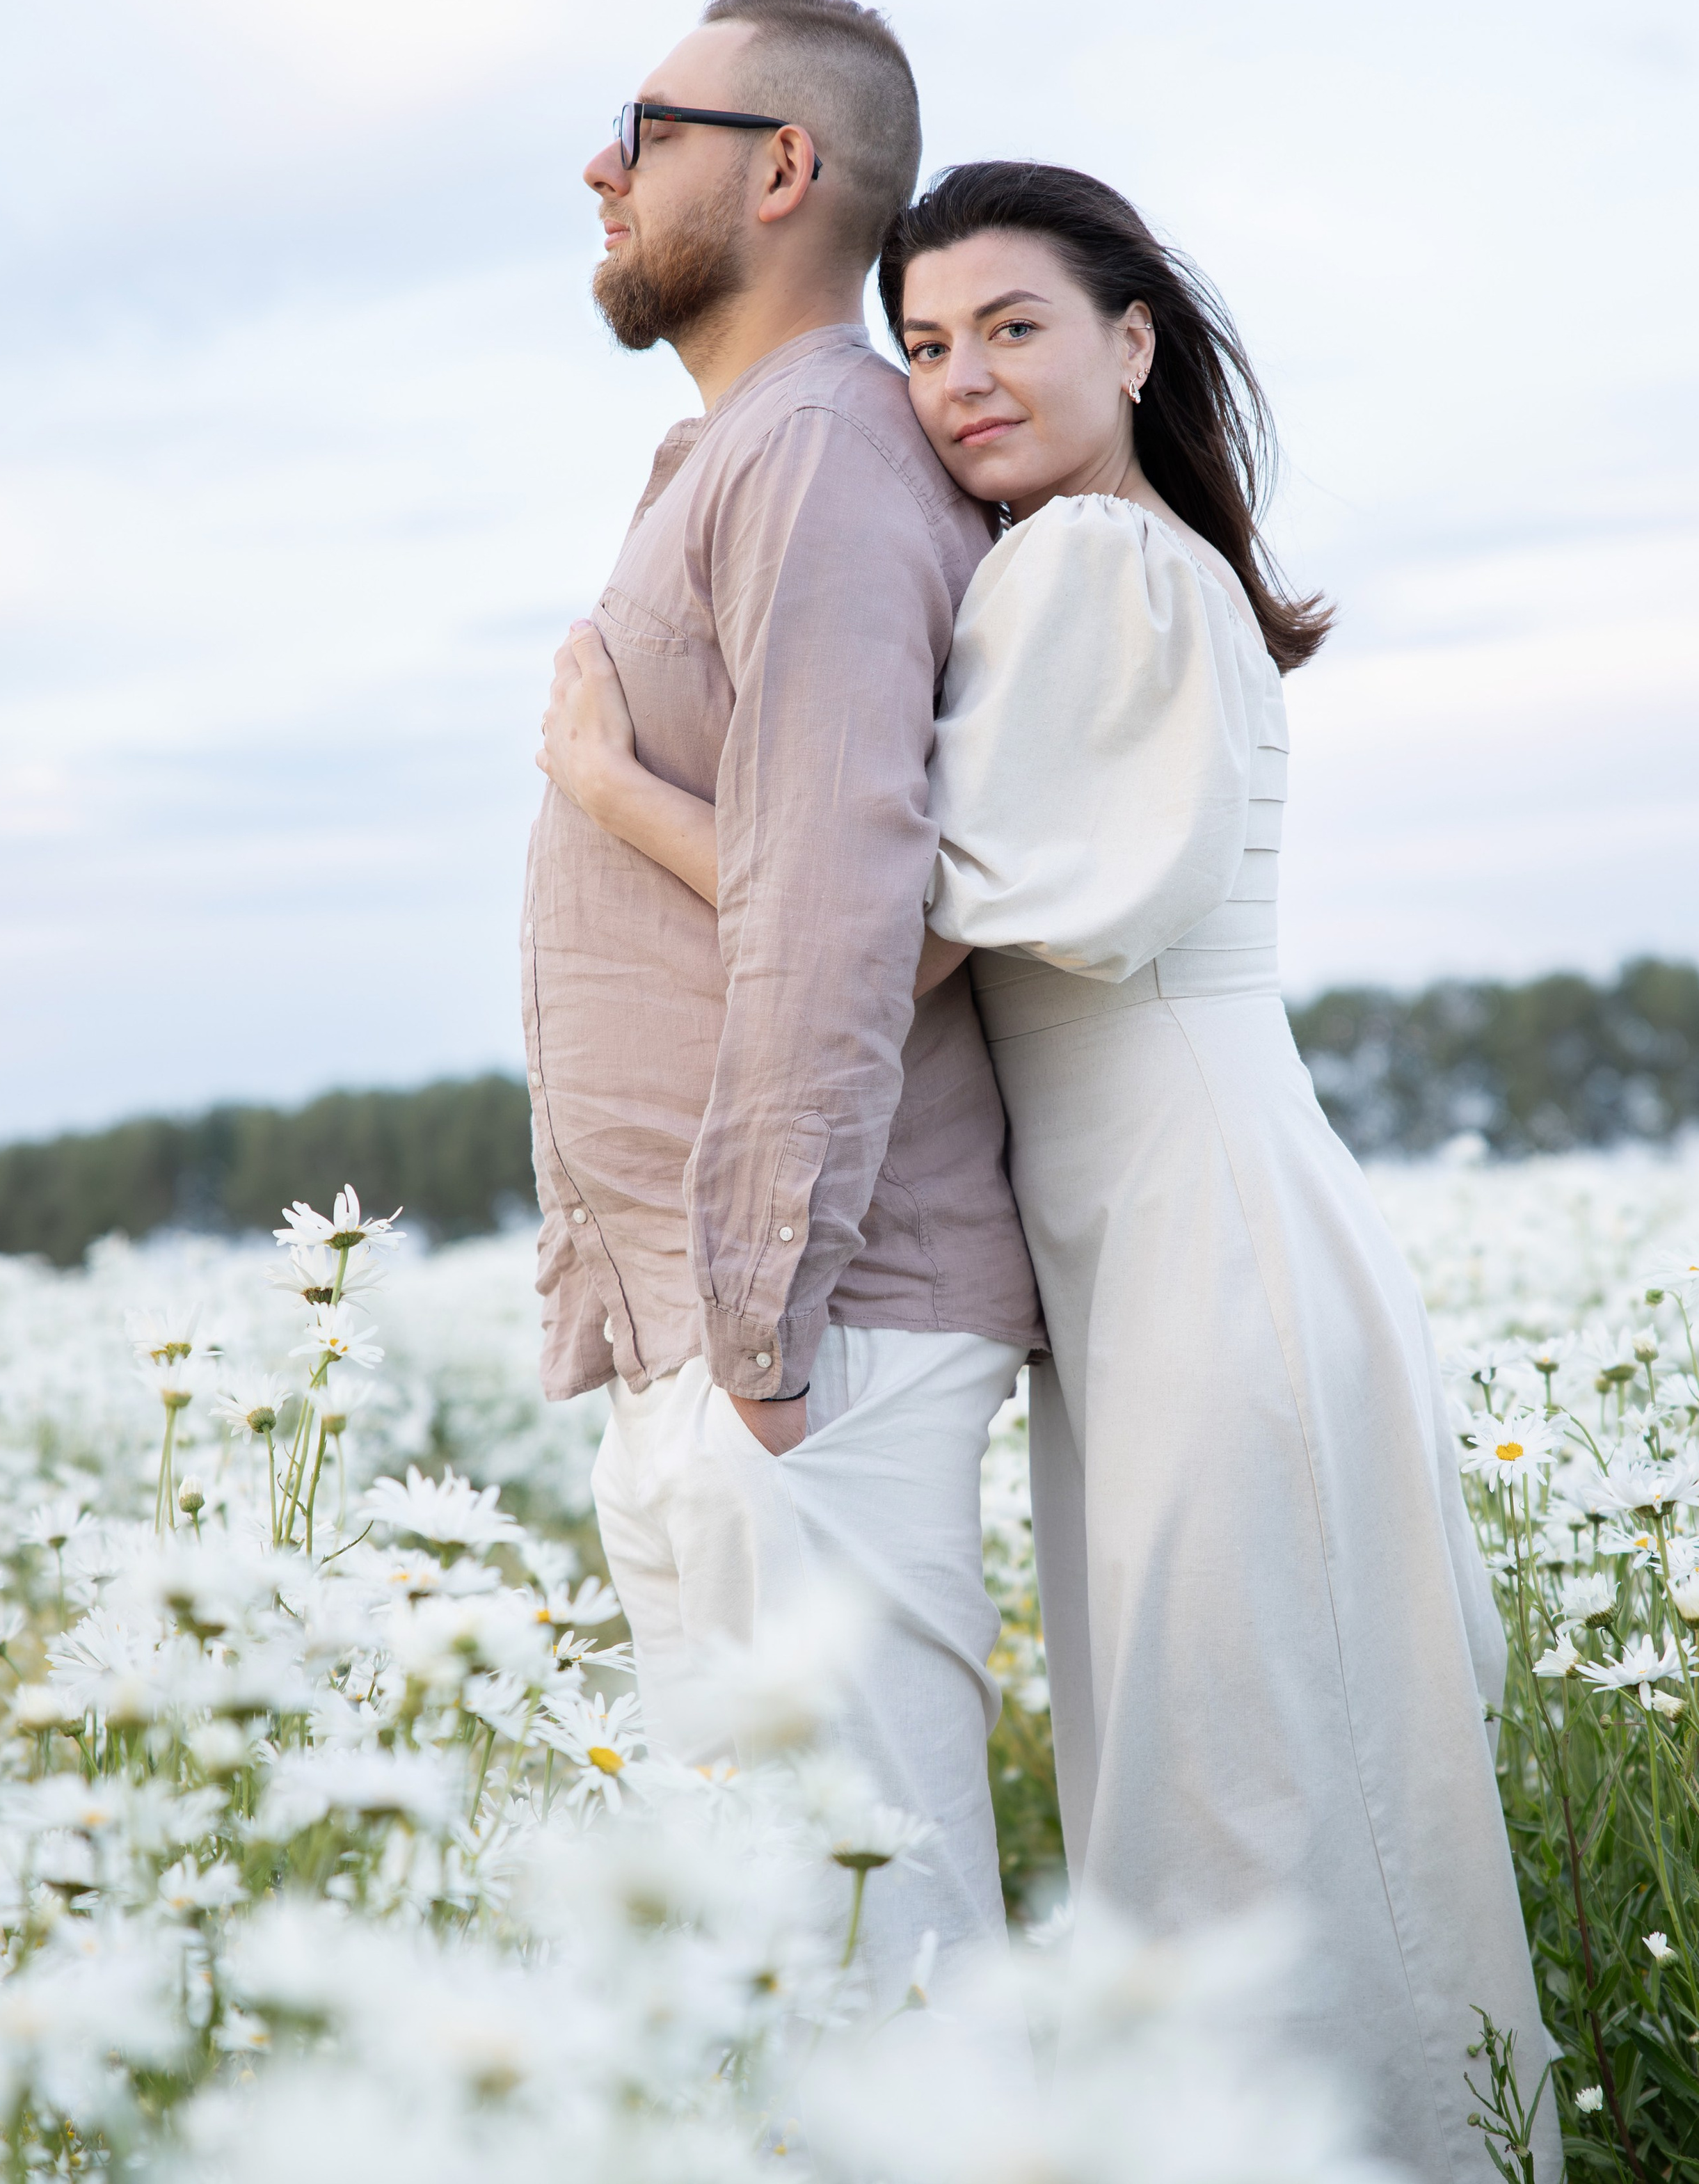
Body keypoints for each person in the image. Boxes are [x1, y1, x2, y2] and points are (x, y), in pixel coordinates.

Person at [549, 154, 1559, 2180]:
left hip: (1201, 1240)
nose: (959, 382)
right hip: (1179, 1229)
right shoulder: (1127, 558)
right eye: (922, 344)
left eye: (1012, 328)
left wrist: (610, 783)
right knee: (1244, 1767)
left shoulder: (1092, 569)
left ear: (1135, 336)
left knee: (1254, 1784)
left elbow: (888, 926)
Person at [525, 0, 1042, 2014]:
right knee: (759, 1966)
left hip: (799, 1338)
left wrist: (756, 1324)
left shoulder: (819, 453)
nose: (600, 163)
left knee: (874, 1958)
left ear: (783, 171)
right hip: (728, 1344)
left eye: (642, 127)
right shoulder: (746, 451)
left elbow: (845, 911)